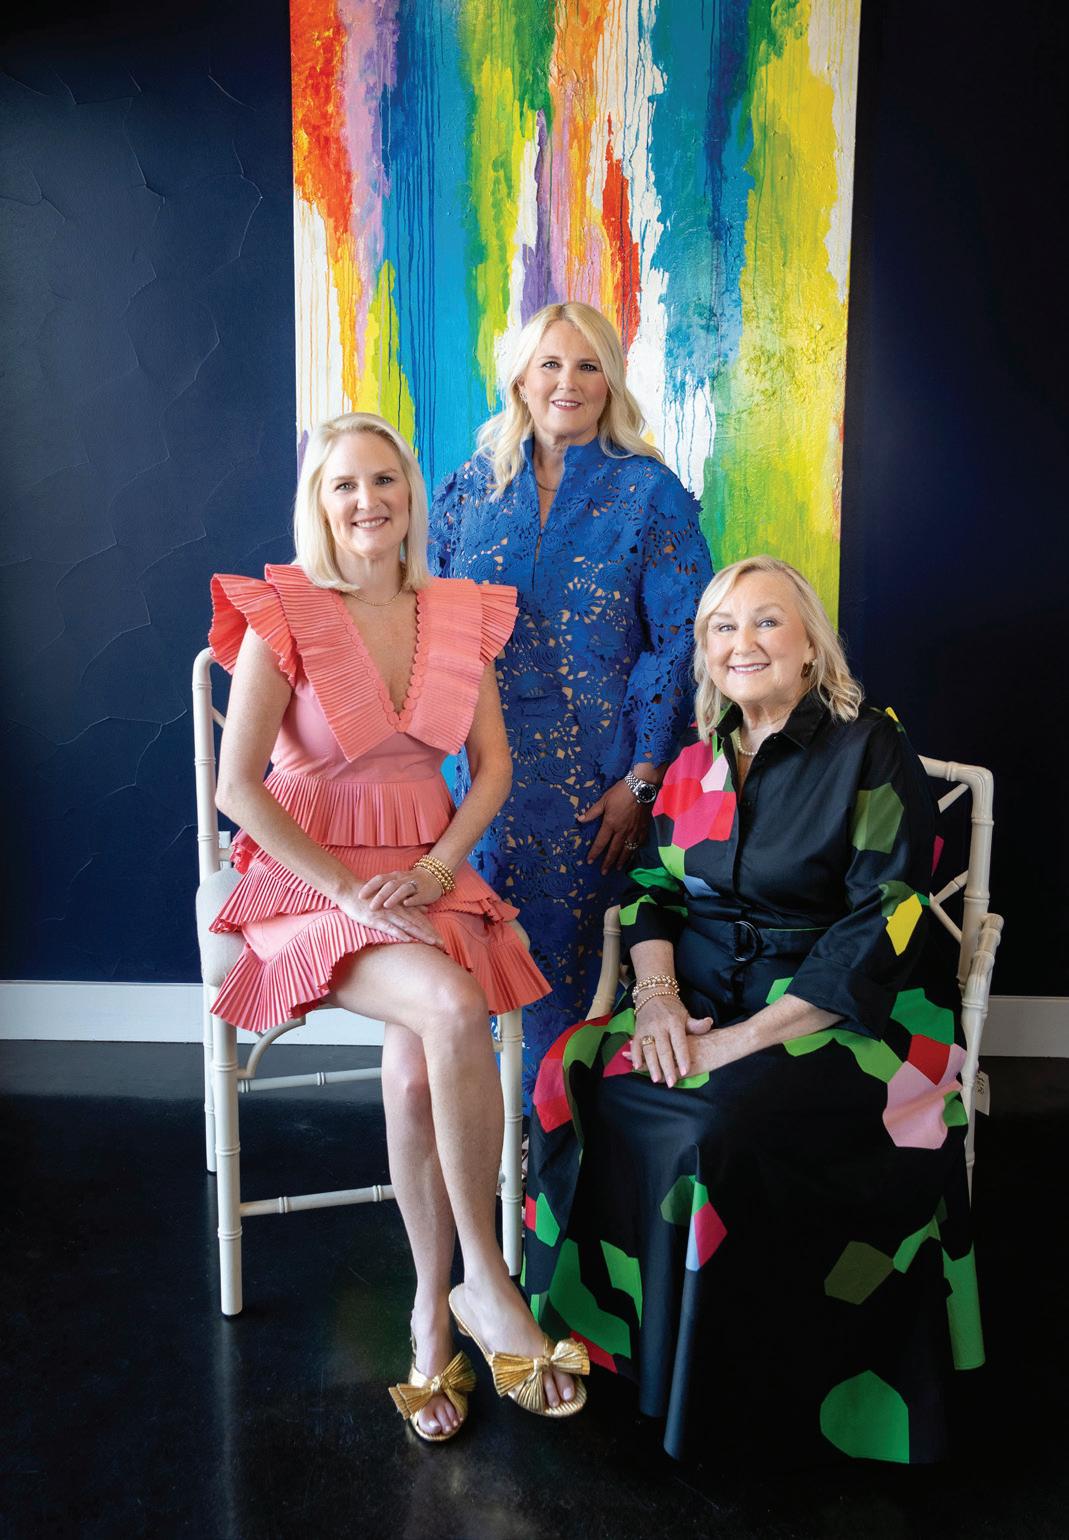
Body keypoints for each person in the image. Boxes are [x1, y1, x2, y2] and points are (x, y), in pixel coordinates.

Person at [525, 556, 983, 1466]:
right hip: (698, 1000)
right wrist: (658, 1004)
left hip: (845, 1017)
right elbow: (651, 893)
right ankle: (626, 1352)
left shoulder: (868, 748)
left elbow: (885, 918)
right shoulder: (694, 763)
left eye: (766, 621)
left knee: (710, 1124)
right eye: (721, 628)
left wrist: (735, 1042)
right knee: (576, 1073)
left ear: (810, 646)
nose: (743, 643)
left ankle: (724, 1390)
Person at [207, 412, 589, 1441]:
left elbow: (493, 768)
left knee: (421, 1071)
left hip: (424, 874)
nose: (367, 500)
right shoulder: (285, 612)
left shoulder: (455, 611)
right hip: (311, 883)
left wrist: (434, 868)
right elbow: (240, 789)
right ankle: (489, 1283)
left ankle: (429, 1314)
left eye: (384, 480)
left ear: (412, 497)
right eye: (343, 484)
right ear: (318, 502)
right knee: (453, 1008)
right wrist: (344, 891)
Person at [431, 302, 713, 1098]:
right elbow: (431, 620)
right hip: (478, 779)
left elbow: (682, 639)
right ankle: (492, 1139)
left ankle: (560, 1137)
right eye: (550, 363)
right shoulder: (468, 490)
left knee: (577, 976)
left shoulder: (649, 492)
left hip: (600, 786)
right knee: (475, 972)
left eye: (587, 365)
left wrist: (643, 778)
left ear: (610, 382)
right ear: (520, 378)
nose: (567, 381)